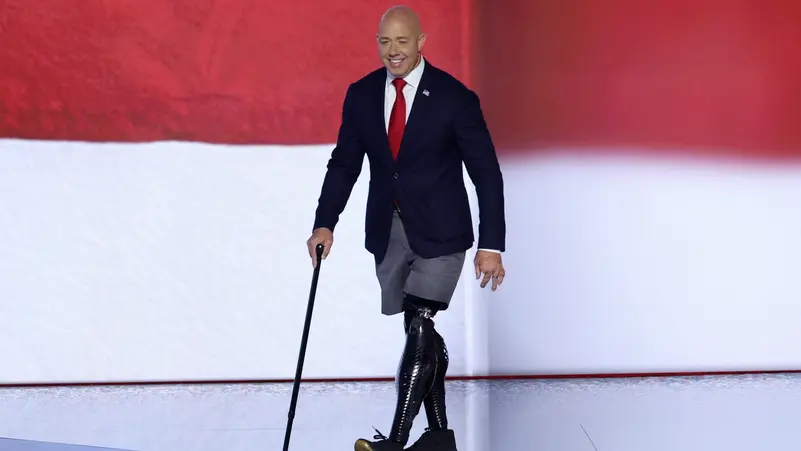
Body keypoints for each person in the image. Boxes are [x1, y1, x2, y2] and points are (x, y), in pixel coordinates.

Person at [306, 5, 506, 451]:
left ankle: (396, 442)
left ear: (420, 43)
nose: (392, 51)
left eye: (401, 41)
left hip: (442, 232)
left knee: (420, 324)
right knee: (420, 331)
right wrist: (324, 223)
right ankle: (439, 437)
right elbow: (344, 165)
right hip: (389, 231)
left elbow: (486, 174)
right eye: (384, 42)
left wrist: (491, 244)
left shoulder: (454, 98)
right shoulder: (361, 95)